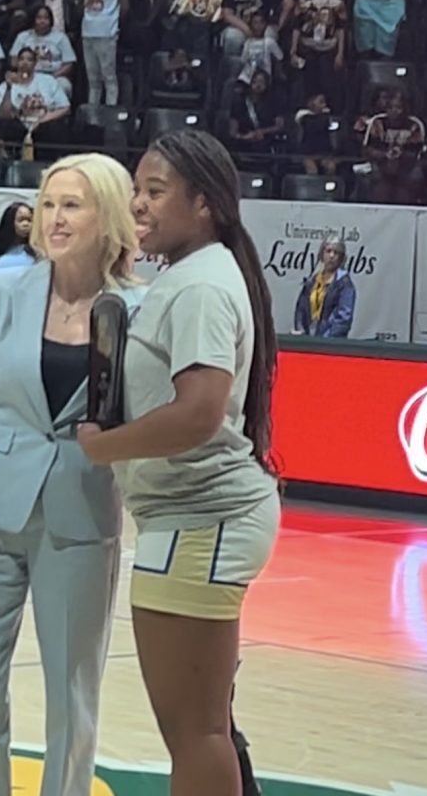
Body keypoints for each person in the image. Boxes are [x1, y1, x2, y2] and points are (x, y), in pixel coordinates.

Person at [76, 129, 280, 796]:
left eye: (155, 191)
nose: (138, 203)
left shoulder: (200, 286)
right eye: (136, 189)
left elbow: (199, 411)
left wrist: (106, 446)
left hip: (204, 522)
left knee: (196, 734)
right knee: (205, 722)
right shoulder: (193, 275)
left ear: (205, 204)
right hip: (191, 522)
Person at [0, 152, 141, 796]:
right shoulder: (0, 291)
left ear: (107, 214)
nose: (55, 218)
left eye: (72, 204)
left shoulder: (138, 306)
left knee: (71, 697)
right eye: (49, 203)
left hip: (82, 518)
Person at [81, 0, 127, 106]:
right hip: (88, 29)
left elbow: (124, 3)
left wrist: (113, 24)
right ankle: (92, 114)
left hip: (106, 31)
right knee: (93, 80)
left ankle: (110, 112)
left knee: (108, 77)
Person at [292, 235, 356, 337]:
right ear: (322, 254)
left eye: (336, 252)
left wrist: (324, 340)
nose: (331, 256)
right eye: (328, 251)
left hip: (331, 344)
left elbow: (343, 319)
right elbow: (301, 310)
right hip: (308, 340)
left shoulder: (344, 284)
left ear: (341, 257)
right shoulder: (313, 281)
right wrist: (302, 332)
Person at [0, 201, 35, 274]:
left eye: (29, 220)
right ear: (9, 222)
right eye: (21, 220)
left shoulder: (39, 253)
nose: (26, 224)